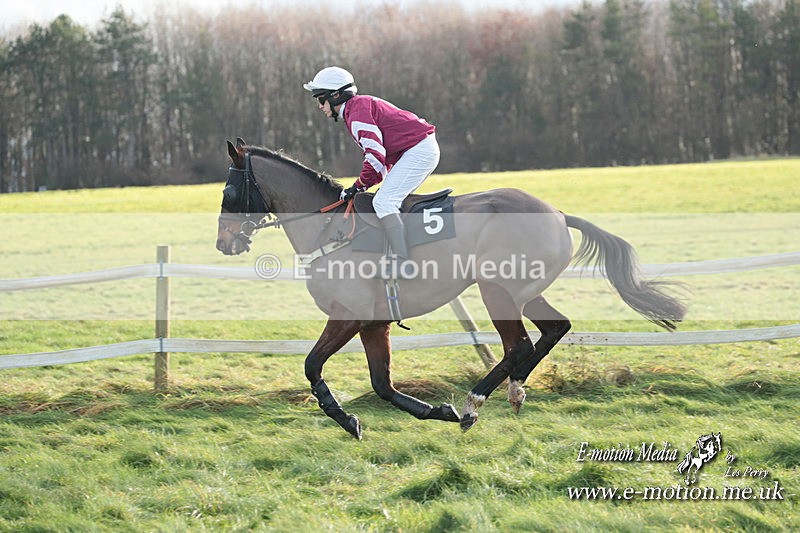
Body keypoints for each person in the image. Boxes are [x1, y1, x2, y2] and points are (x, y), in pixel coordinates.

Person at [303, 66, 440, 278]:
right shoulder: (356, 108)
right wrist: (362, 185)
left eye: (321, 99)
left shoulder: (356, 113)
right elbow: (380, 161)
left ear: (336, 95)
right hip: (415, 149)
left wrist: (358, 186)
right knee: (385, 199)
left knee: (383, 202)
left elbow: (375, 156)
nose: (320, 106)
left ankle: (403, 263)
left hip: (419, 150)